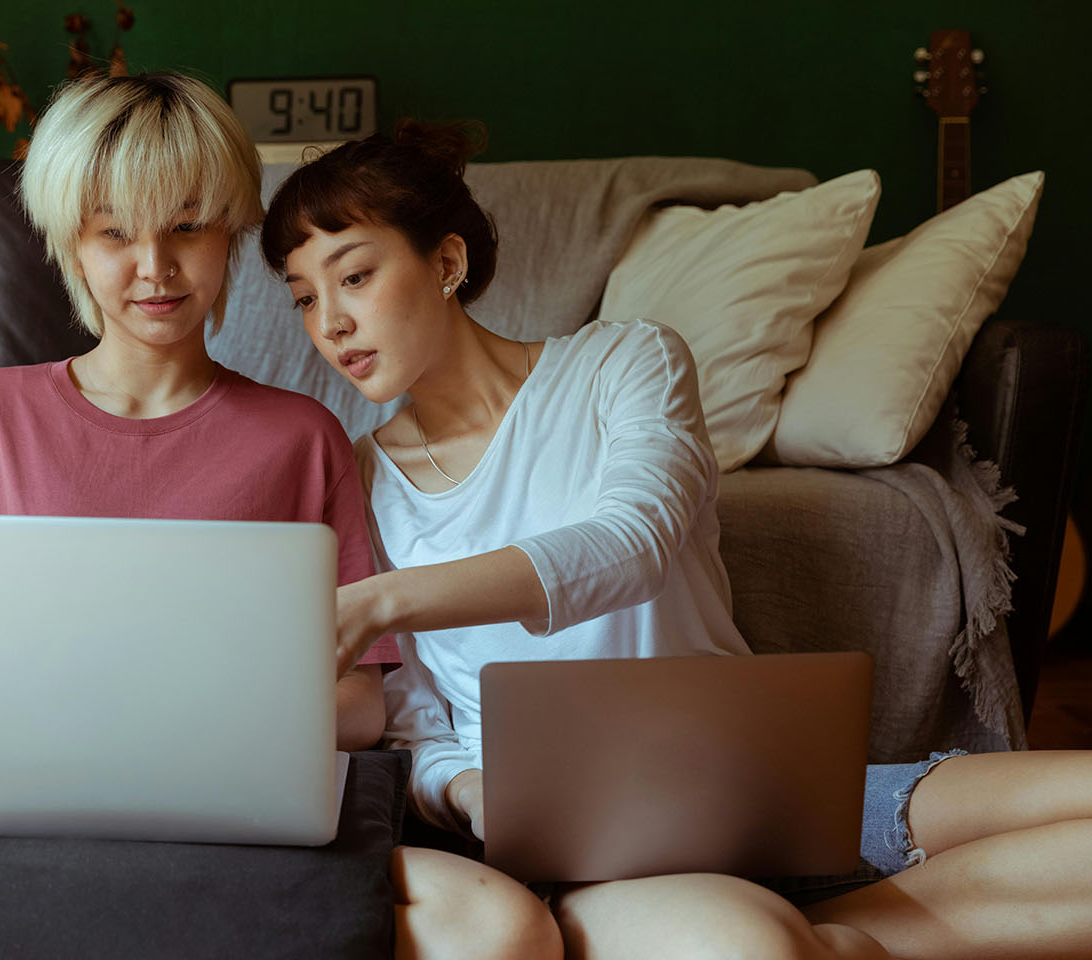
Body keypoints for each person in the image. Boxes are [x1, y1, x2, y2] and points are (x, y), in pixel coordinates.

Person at [260, 121, 1092, 960]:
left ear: (445, 263)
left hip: (752, 782)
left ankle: (839, 935)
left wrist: (383, 599)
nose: (330, 323)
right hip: (581, 830)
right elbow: (409, 720)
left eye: (355, 276)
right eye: (303, 297)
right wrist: (476, 795)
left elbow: (634, 542)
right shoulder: (357, 477)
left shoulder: (627, 362)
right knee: (752, 949)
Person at [0, 72, 399, 751]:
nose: (156, 266)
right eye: (115, 234)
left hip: (234, 791)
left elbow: (360, 703)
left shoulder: (303, 438)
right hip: (34, 781)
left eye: (187, 227)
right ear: (73, 249)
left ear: (229, 232)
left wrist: (190, 736)